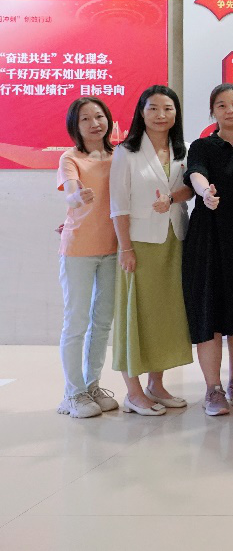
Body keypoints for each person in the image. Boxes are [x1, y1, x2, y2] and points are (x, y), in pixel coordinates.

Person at [109, 85, 195, 415]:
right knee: (136, 314)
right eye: (153, 108)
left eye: (168, 109)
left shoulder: (182, 149)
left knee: (165, 315)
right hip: (140, 244)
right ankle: (133, 392)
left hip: (175, 240)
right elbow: (118, 205)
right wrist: (125, 249)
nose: (161, 115)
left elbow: (189, 188)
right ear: (141, 113)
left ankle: (156, 385)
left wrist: (172, 198)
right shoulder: (126, 152)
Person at [183, 84, 233, 416]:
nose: (229, 110)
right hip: (208, 237)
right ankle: (212, 388)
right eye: (221, 105)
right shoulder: (202, 145)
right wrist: (205, 193)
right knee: (209, 312)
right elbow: (195, 174)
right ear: (213, 112)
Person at [55, 97, 120, 418]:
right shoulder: (70, 157)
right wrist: (77, 196)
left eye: (99, 116)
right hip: (79, 249)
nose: (95, 123)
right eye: (85, 119)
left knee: (102, 322)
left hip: (113, 249)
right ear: (75, 126)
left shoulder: (119, 156)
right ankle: (73, 393)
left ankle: (92, 385)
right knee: (76, 322)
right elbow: (70, 191)